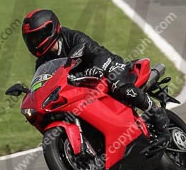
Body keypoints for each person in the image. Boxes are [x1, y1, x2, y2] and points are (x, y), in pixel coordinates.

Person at [21, 8, 169, 141]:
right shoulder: (42, 62)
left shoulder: (72, 37)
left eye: (37, 37)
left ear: (50, 29)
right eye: (31, 39)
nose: (34, 42)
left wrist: (97, 68)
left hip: (107, 67)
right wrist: (31, 93)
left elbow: (98, 53)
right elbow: (46, 82)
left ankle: (157, 114)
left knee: (119, 87)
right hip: (81, 85)